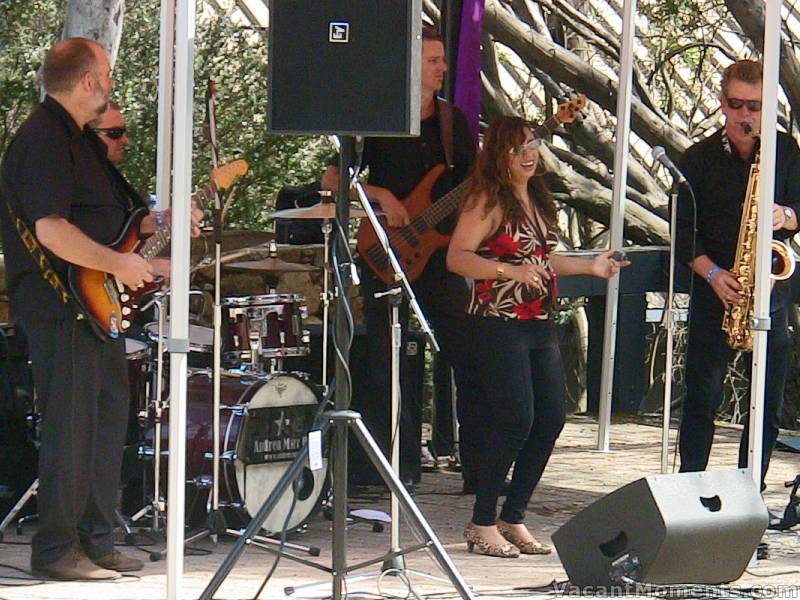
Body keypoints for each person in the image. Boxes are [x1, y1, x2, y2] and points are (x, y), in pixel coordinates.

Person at [1, 38, 153, 580]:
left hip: (95, 308)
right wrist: (116, 263)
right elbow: (52, 229)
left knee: (106, 420)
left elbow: (110, 214)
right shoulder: (42, 139)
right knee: (71, 427)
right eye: (107, 74)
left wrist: (161, 224)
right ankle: (56, 550)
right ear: (88, 79)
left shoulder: (81, 141)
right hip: (60, 304)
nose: (112, 84)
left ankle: (97, 538)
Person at [447, 115, 625, 558]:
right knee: (514, 420)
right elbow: (458, 258)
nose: (529, 155)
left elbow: (545, 260)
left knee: (550, 420)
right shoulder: (487, 199)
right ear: (499, 156)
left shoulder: (538, 198)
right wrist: (509, 271)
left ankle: (513, 516)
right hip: (495, 320)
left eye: (533, 146)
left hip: (537, 319)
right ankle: (482, 520)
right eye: (518, 149)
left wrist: (591, 266)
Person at [341, 25, 482, 489]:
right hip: (387, 252)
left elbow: (473, 182)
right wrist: (380, 194)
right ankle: (391, 469)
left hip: (440, 253)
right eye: (434, 61)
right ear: (411, 66)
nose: (444, 68)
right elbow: (332, 177)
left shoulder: (453, 123)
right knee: (388, 362)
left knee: (466, 350)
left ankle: (480, 467)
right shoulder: (377, 118)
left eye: (444, 60)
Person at [675, 59, 800, 486]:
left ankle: (752, 492)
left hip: (770, 294)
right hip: (718, 291)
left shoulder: (785, 151)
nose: (745, 115)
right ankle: (690, 488)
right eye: (736, 104)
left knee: (765, 403)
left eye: (755, 107)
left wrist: (784, 215)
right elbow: (681, 231)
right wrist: (712, 275)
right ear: (722, 103)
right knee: (701, 399)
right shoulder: (697, 159)